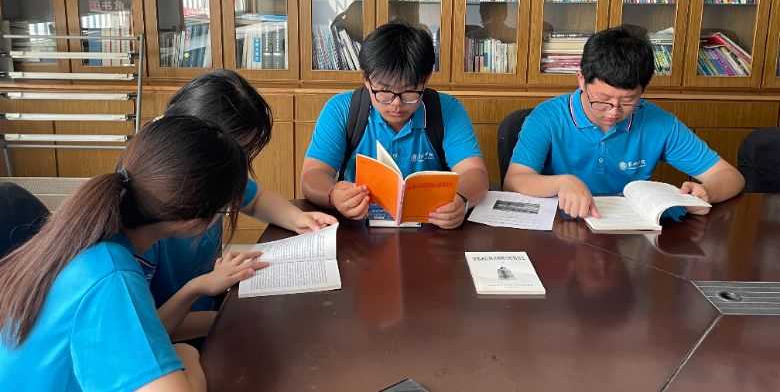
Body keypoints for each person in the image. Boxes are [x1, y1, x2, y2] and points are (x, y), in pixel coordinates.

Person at [0, 116, 266, 392]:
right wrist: (186, 356)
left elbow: (140, 335)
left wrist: (196, 288)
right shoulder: (111, 272)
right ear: (197, 220)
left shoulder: (87, 239)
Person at [146, 70, 336, 338]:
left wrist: (298, 219)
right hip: (175, 337)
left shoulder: (208, 172)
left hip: (209, 307)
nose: (241, 165)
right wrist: (233, 318)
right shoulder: (145, 216)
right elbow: (145, 333)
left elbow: (254, 199)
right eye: (239, 152)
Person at [504, 27, 745, 219]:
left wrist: (707, 191)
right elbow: (515, 181)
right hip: (563, 229)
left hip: (630, 231)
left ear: (643, 90)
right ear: (581, 80)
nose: (614, 112)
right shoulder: (547, 117)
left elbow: (729, 176)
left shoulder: (658, 122)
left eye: (628, 101)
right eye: (602, 100)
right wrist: (562, 182)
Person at [302, 21, 489, 228]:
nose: (396, 104)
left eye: (409, 92)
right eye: (384, 91)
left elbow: (474, 172)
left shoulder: (447, 110)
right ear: (366, 80)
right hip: (359, 229)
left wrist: (461, 200)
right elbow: (313, 174)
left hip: (430, 228)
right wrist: (333, 195)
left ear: (426, 79)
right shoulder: (342, 109)